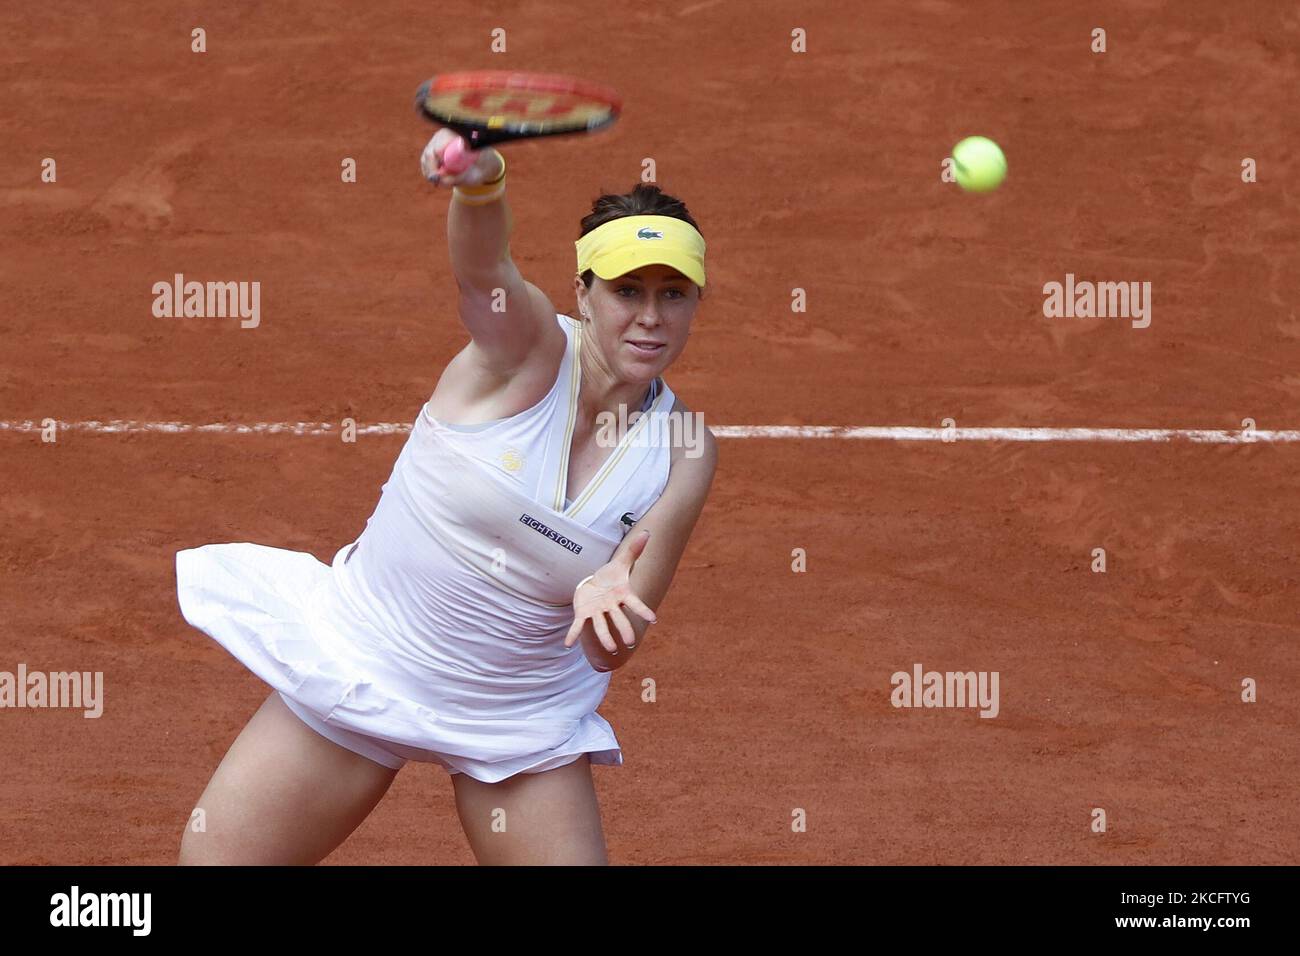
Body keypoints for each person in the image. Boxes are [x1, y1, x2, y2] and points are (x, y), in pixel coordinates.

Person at [173, 128, 718, 865]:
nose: (650, 317)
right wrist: (480, 181)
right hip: (370, 660)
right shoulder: (522, 351)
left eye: (672, 295)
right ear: (581, 292)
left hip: (516, 722)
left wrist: (607, 600)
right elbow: (481, 265)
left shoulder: (684, 449)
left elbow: (610, 650)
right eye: (627, 291)